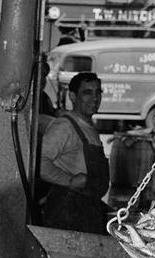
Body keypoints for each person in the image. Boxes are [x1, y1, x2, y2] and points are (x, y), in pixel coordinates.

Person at [36, 70, 110, 234]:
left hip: (88, 210)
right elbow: (39, 163)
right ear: (73, 96)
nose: (95, 98)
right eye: (87, 93)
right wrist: (69, 180)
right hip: (67, 212)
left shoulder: (89, 128)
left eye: (98, 92)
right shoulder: (65, 127)